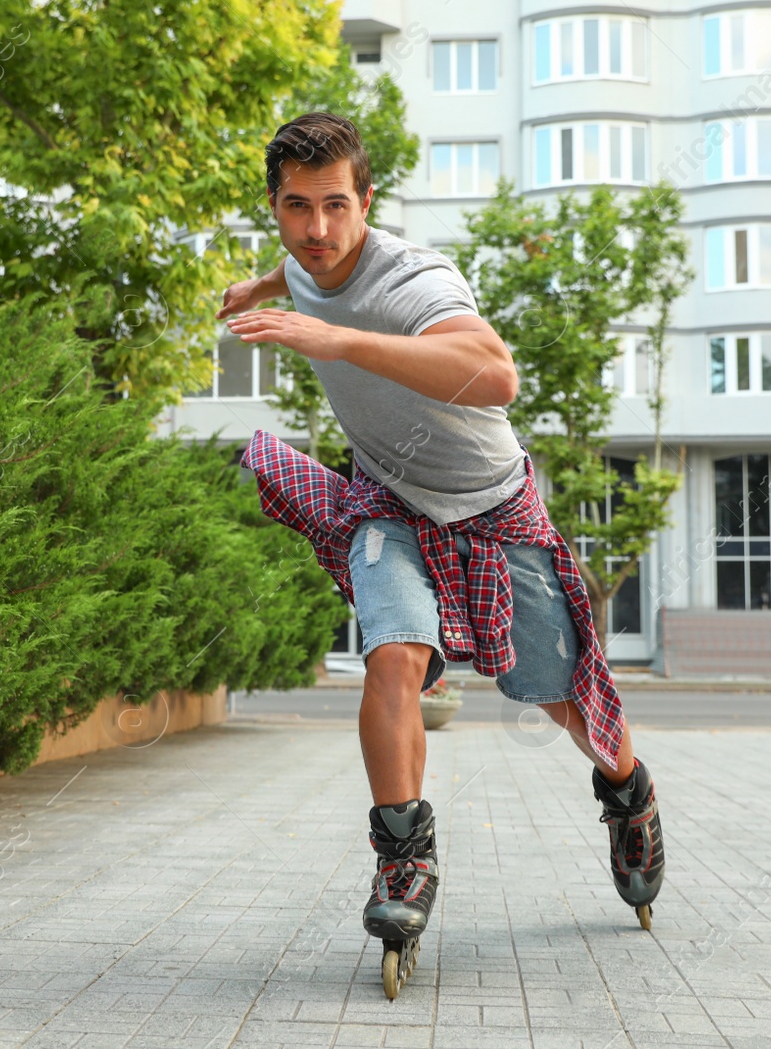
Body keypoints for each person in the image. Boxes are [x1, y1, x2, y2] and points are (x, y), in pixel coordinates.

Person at [216, 113, 665, 965]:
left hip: (493, 509)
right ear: (274, 205)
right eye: (296, 207)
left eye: (337, 207)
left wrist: (339, 340)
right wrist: (258, 289)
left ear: (368, 202)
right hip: (389, 503)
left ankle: (628, 794)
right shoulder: (303, 261)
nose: (317, 230)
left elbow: (496, 374)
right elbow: (301, 273)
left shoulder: (416, 279)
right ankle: (404, 860)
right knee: (392, 654)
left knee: (559, 689)